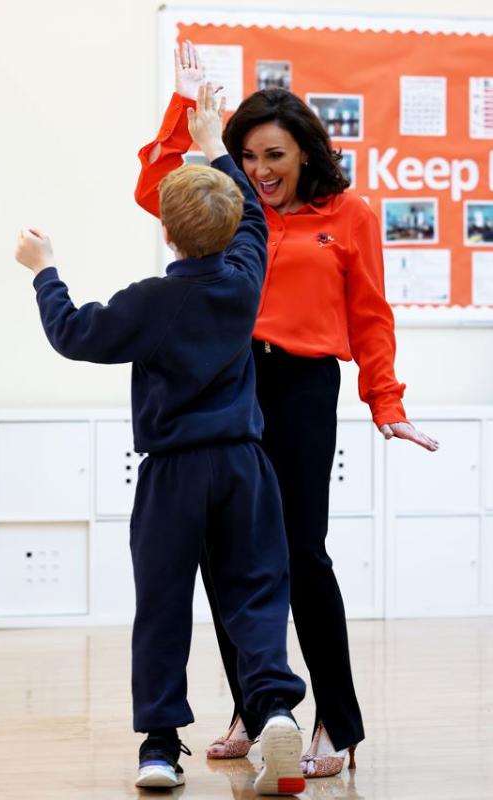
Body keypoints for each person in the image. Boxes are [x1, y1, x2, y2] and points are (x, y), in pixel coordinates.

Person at [135, 41, 439, 779]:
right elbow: (153, 188)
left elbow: (370, 316)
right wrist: (186, 112)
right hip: (229, 384)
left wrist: (385, 398)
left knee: (301, 553)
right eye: (247, 155)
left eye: (273, 155)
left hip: (302, 390)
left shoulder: (349, 215)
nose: (261, 170)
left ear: (305, 152)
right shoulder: (230, 202)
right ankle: (256, 704)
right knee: (226, 554)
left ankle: (337, 717)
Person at [15, 83, 307, 796]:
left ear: (167, 235)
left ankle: (158, 745)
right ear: (232, 221)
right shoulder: (242, 281)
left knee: (164, 603)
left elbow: (73, 333)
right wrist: (214, 145)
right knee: (256, 593)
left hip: (172, 473)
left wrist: (44, 269)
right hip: (244, 465)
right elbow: (253, 227)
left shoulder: (147, 302)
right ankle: (272, 709)